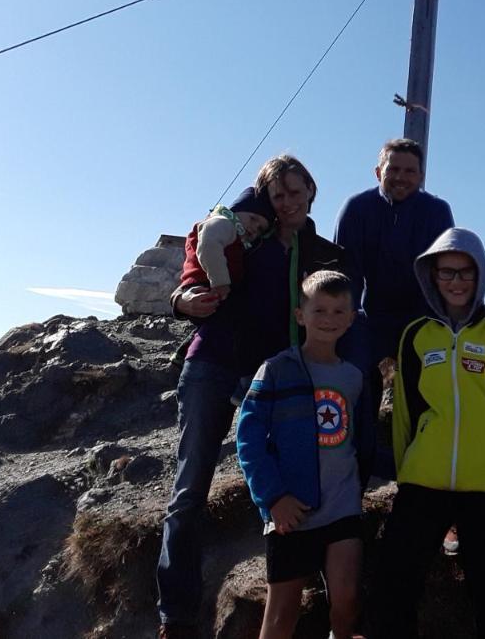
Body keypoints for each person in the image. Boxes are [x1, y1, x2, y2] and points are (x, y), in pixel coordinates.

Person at [156, 155, 355, 639]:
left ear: (312, 189)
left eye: (295, 191)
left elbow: (342, 311)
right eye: (278, 194)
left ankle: (291, 594)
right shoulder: (249, 231)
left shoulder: (325, 254)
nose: (287, 201)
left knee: (286, 481)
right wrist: (179, 299)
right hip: (210, 363)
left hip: (273, 377)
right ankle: (177, 617)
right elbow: (197, 251)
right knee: (189, 492)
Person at [380, 228, 485, 639]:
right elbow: (405, 417)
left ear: (481, 275)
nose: (456, 281)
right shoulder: (415, 335)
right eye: (447, 272)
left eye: (466, 272)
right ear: (432, 276)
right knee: (394, 589)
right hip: (422, 485)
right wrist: (407, 473)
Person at [236, 270, 375, 639]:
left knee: (346, 601)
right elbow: (248, 438)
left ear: (350, 318)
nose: (328, 319)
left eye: (338, 311)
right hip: (291, 510)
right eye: (319, 310)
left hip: (343, 505)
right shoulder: (276, 369)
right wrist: (274, 498)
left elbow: (362, 440)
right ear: (301, 315)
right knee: (281, 616)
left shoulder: (355, 376)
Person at [333, 138, 454, 361]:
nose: (401, 177)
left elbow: (446, 273)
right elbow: (346, 275)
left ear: (421, 176)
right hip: (371, 319)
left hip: (424, 321)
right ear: (378, 173)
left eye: (409, 171)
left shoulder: (437, 212)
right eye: (393, 169)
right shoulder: (356, 209)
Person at [177, 186, 275, 303]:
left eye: (260, 229)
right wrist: (220, 283)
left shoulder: (239, 238)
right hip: (206, 286)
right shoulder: (223, 222)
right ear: (237, 210)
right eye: (253, 219)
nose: (255, 227)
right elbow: (209, 245)